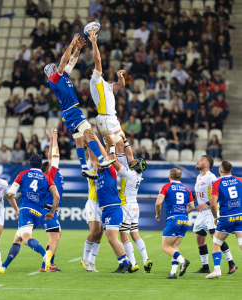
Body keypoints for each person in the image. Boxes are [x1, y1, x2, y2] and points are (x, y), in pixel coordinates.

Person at [44, 33, 115, 180]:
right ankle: (102, 159)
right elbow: (64, 62)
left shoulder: (62, 77)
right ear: (53, 70)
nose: (59, 67)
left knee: (79, 140)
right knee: (89, 133)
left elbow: (71, 62)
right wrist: (71, 44)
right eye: (56, 67)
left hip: (67, 114)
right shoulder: (54, 78)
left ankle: (84, 167)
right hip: (72, 111)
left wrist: (78, 49)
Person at [0, 154, 60, 274]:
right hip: (38, 212)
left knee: (26, 240)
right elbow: (56, 196)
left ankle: (46, 255)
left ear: (30, 164)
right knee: (17, 239)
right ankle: (3, 267)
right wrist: (52, 212)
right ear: (41, 165)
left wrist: (13, 195)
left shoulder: (23, 174)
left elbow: (11, 193)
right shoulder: (46, 178)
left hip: (25, 210)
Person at [106, 134, 152, 273]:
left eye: (135, 160)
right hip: (135, 206)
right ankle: (146, 260)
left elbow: (114, 161)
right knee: (135, 234)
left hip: (125, 206)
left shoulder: (128, 173)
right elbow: (130, 155)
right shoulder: (138, 174)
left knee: (124, 235)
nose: (133, 159)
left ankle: (133, 263)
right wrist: (125, 140)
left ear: (135, 165)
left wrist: (113, 145)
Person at [194, 156, 236, 274]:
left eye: (202, 159)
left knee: (215, 237)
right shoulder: (198, 177)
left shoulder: (211, 177)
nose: (198, 160)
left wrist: (206, 204)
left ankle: (231, 262)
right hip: (202, 212)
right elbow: (201, 193)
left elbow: (217, 193)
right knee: (200, 238)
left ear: (208, 164)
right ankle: (205, 266)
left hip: (210, 211)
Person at [85, 31, 126, 154]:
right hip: (105, 118)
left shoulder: (105, 85)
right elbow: (98, 60)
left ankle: (119, 171)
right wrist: (94, 42)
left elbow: (120, 85)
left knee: (120, 146)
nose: (99, 70)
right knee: (110, 147)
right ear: (92, 74)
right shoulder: (94, 80)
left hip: (112, 117)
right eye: (96, 70)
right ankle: (108, 171)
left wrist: (120, 76)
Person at [155, 168, 195, 279]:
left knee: (165, 247)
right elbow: (192, 207)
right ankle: (173, 273)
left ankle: (183, 261)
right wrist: (182, 214)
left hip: (173, 219)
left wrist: (158, 214)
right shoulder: (187, 190)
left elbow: (158, 203)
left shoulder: (166, 187)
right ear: (180, 177)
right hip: (184, 219)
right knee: (175, 247)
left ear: (170, 176)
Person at [206, 161, 242, 279]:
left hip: (227, 217)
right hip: (240, 216)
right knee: (241, 243)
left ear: (221, 169)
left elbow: (212, 204)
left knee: (216, 242)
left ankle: (217, 271)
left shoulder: (217, 183)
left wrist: (216, 217)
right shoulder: (240, 180)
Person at [39, 128, 64, 272]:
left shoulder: (52, 173)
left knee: (57, 235)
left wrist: (51, 141)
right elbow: (54, 156)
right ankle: (45, 266)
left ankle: (50, 262)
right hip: (49, 209)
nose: (52, 163)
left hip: (49, 208)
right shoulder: (51, 175)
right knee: (53, 238)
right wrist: (55, 137)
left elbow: (50, 159)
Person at [81, 140, 106, 272]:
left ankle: (92, 261)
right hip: (93, 201)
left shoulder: (103, 164)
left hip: (102, 203)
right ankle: (85, 259)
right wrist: (90, 144)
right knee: (95, 231)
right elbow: (92, 157)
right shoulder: (90, 165)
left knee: (100, 233)